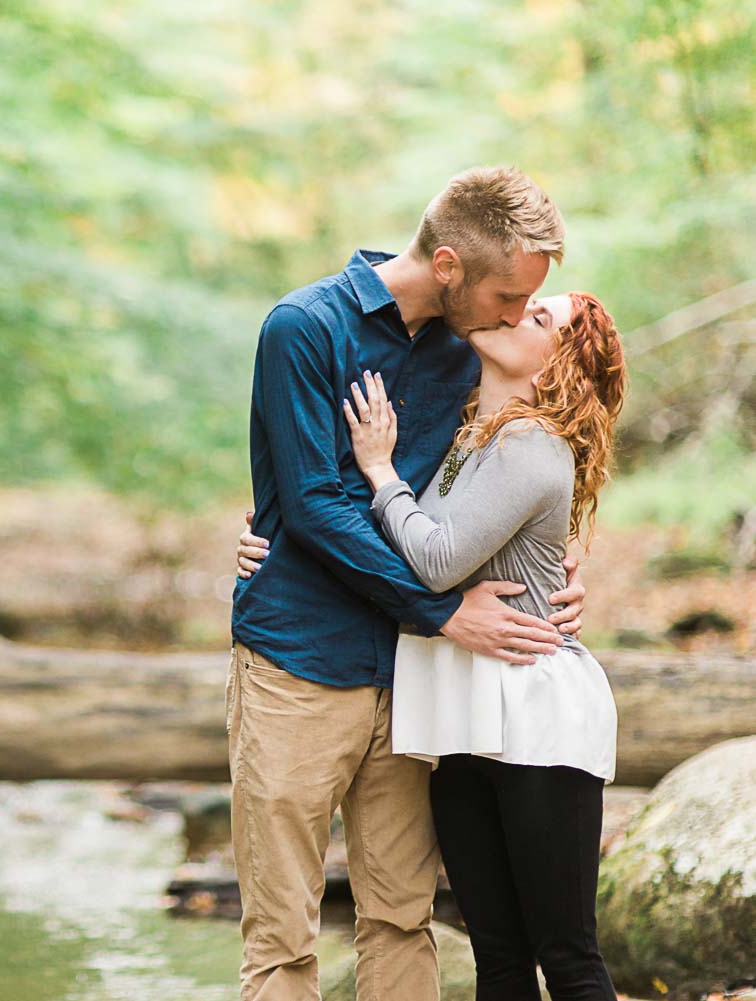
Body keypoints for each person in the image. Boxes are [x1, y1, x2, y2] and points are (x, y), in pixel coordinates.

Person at [223, 166, 588, 1001]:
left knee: (401, 915)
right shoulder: (304, 327)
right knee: (282, 936)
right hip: (298, 663)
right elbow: (313, 504)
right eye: (505, 296)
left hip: (414, 677)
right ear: (450, 264)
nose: (513, 316)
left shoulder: (472, 347)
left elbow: (535, 446)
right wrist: (442, 608)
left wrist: (566, 554)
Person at [334, 292, 626, 999]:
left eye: (540, 319)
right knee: (497, 956)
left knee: (569, 959)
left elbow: (436, 559)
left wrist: (379, 470)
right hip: (463, 715)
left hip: (535, 715)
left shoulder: (530, 443)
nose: (518, 312)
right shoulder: (470, 433)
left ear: (558, 364)